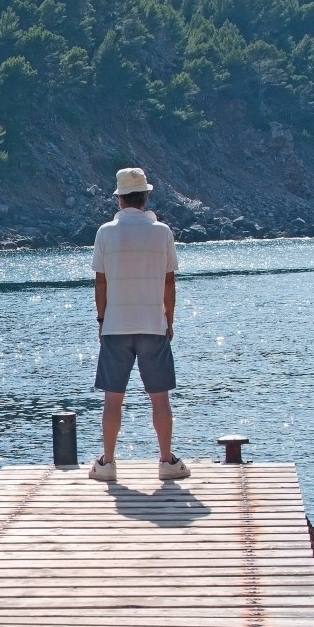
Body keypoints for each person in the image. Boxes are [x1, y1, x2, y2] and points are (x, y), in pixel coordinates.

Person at [89, 167, 189, 482]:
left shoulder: (105, 232)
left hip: (116, 324)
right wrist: (168, 321)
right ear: (145, 197)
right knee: (159, 397)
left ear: (120, 199)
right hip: (152, 323)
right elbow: (169, 285)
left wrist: (102, 320)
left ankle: (107, 463)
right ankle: (166, 461)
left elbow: (100, 285)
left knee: (112, 397)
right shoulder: (162, 232)